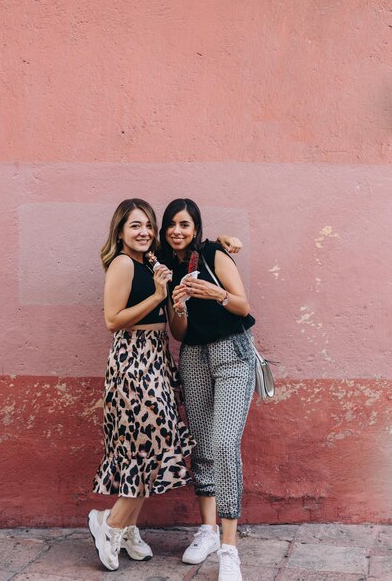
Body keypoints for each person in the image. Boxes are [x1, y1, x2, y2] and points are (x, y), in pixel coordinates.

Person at [88, 198, 241, 572]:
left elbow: (191, 245)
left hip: (157, 356)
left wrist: (221, 242)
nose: (144, 232)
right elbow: (112, 319)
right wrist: (159, 296)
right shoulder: (124, 263)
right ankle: (109, 524)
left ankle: (125, 526)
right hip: (134, 360)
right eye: (135, 226)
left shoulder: (152, 262)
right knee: (152, 442)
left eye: (148, 226)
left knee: (155, 443)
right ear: (120, 231)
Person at [160, 198, 256, 581]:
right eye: (172, 224)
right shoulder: (166, 270)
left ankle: (230, 550)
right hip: (194, 356)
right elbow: (179, 334)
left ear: (196, 229)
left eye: (184, 224)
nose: (177, 231)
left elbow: (241, 304)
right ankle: (208, 531)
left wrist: (211, 293)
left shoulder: (214, 252)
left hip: (231, 352)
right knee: (202, 444)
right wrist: (180, 306)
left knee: (223, 445)